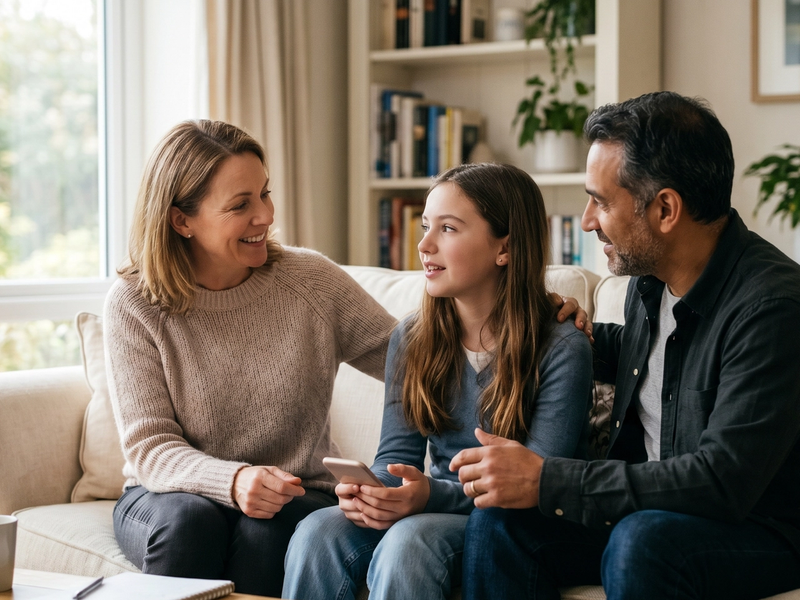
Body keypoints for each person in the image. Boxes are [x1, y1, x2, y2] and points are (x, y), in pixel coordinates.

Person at [453, 91, 800, 599]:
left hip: (758, 529)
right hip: (653, 515)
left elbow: (722, 481)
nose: (588, 219)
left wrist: (550, 480)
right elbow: (661, 357)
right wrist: (566, 331)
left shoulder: (771, 309)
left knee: (641, 541)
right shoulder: (652, 278)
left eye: (601, 201)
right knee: (500, 523)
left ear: (665, 209)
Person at [105, 120, 397, 597]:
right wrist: (235, 479)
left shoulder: (311, 282)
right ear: (182, 220)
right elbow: (150, 448)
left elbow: (415, 358)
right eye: (241, 205)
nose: (264, 215)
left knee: (268, 530)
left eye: (264, 194)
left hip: (294, 493)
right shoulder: (136, 302)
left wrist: (528, 318)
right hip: (166, 495)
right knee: (189, 522)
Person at [281, 162, 594, 600]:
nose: (424, 244)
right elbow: (394, 457)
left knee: (411, 544)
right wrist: (371, 492)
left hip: (512, 522)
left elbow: (534, 488)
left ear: (504, 248)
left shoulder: (562, 346)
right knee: (319, 529)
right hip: (434, 505)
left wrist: (427, 497)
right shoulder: (412, 338)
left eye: (447, 229)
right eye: (426, 226)